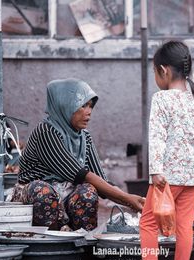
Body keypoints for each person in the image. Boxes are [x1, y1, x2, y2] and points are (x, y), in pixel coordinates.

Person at [11, 78, 145, 231]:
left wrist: (134, 201)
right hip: (36, 201)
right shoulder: (46, 131)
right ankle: (55, 242)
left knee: (88, 191)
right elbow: (80, 174)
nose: (89, 112)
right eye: (83, 106)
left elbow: (101, 182)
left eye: (90, 106)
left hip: (66, 198)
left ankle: (83, 246)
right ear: (65, 105)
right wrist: (128, 199)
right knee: (42, 190)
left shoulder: (84, 137)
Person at [139, 41, 194, 260]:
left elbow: (157, 136)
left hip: (167, 177)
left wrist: (155, 170)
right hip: (191, 177)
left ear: (164, 70)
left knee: (148, 223)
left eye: (155, 72)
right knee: (185, 227)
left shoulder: (161, 99)